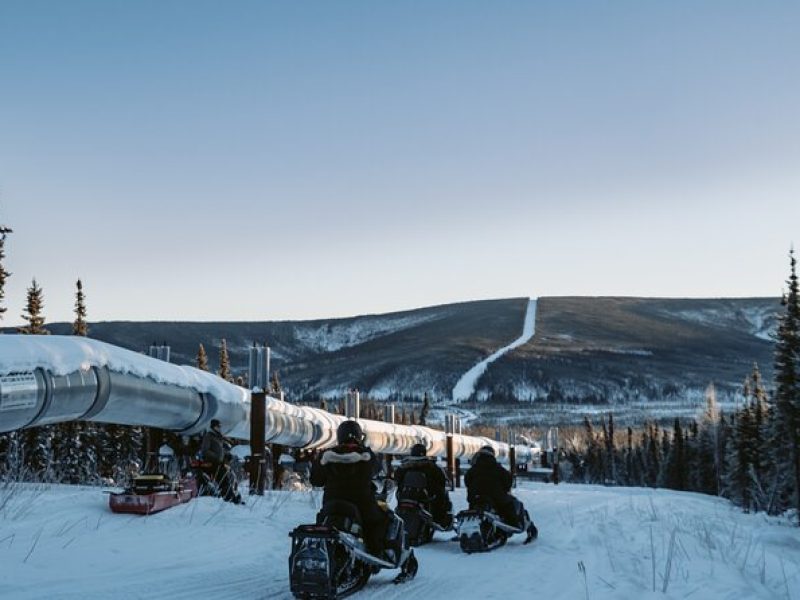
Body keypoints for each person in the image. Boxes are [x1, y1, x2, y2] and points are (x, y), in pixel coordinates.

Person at [310, 420, 387, 557]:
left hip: (331, 504)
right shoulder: (366, 456)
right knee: (379, 521)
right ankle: (376, 553)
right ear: (359, 436)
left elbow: (316, 481)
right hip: (361, 504)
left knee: (322, 522)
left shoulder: (326, 456)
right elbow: (377, 470)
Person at [464, 445, 531, 530]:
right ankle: (514, 523)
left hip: (475, 498)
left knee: (472, 508)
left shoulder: (472, 469)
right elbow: (508, 481)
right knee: (510, 505)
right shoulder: (498, 468)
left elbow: (467, 482)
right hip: (496, 497)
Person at [393, 442, 452, 528]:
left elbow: (397, 478)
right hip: (425, 496)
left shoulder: (404, 467)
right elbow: (441, 480)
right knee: (441, 498)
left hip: (405, 495)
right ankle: (440, 520)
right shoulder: (431, 466)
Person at [200, 419, 243, 504]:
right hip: (213, 463)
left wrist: (226, 455)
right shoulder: (209, 436)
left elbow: (220, 450)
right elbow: (205, 450)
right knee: (223, 480)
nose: (220, 428)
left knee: (226, 479)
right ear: (213, 427)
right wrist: (216, 457)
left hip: (219, 462)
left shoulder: (217, 436)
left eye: (220, 426)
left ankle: (231, 497)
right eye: (218, 426)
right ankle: (229, 498)